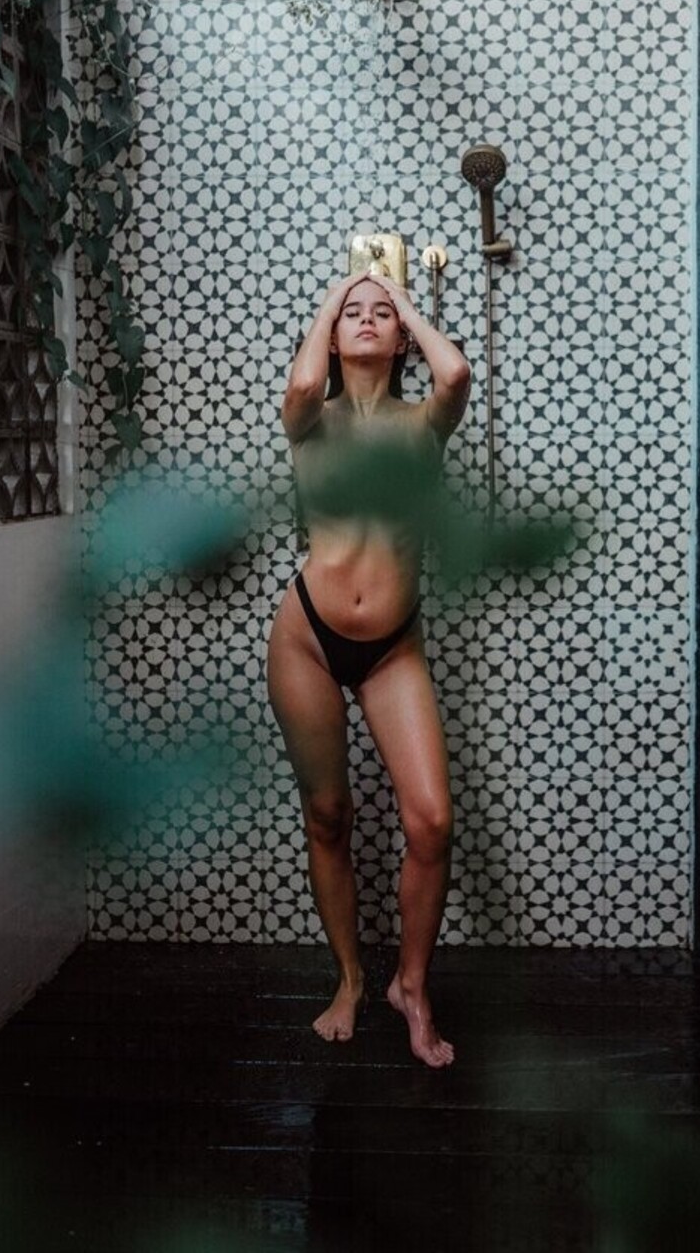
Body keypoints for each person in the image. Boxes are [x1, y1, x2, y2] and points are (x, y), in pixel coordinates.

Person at [267, 270, 471, 1068]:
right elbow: (301, 382)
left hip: (393, 648)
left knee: (431, 822)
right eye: (352, 312)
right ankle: (350, 979)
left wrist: (400, 299)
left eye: (379, 314)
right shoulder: (310, 422)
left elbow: (455, 372)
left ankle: (410, 987)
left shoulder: (422, 425)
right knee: (328, 815)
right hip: (307, 641)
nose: (365, 318)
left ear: (399, 340)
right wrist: (343, 291)